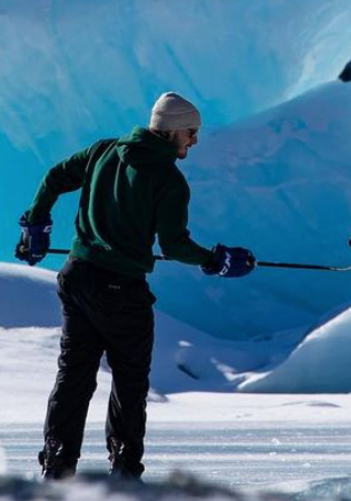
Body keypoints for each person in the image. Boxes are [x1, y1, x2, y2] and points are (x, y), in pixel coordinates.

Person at [16, 91, 257, 481]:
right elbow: (175, 245)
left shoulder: (103, 151)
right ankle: (124, 471)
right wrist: (217, 260)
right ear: (171, 130)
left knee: (74, 376)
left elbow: (54, 178)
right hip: (121, 290)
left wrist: (37, 226)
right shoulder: (168, 180)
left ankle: (57, 466)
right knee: (129, 381)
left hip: (76, 277)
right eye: (191, 132)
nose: (194, 141)